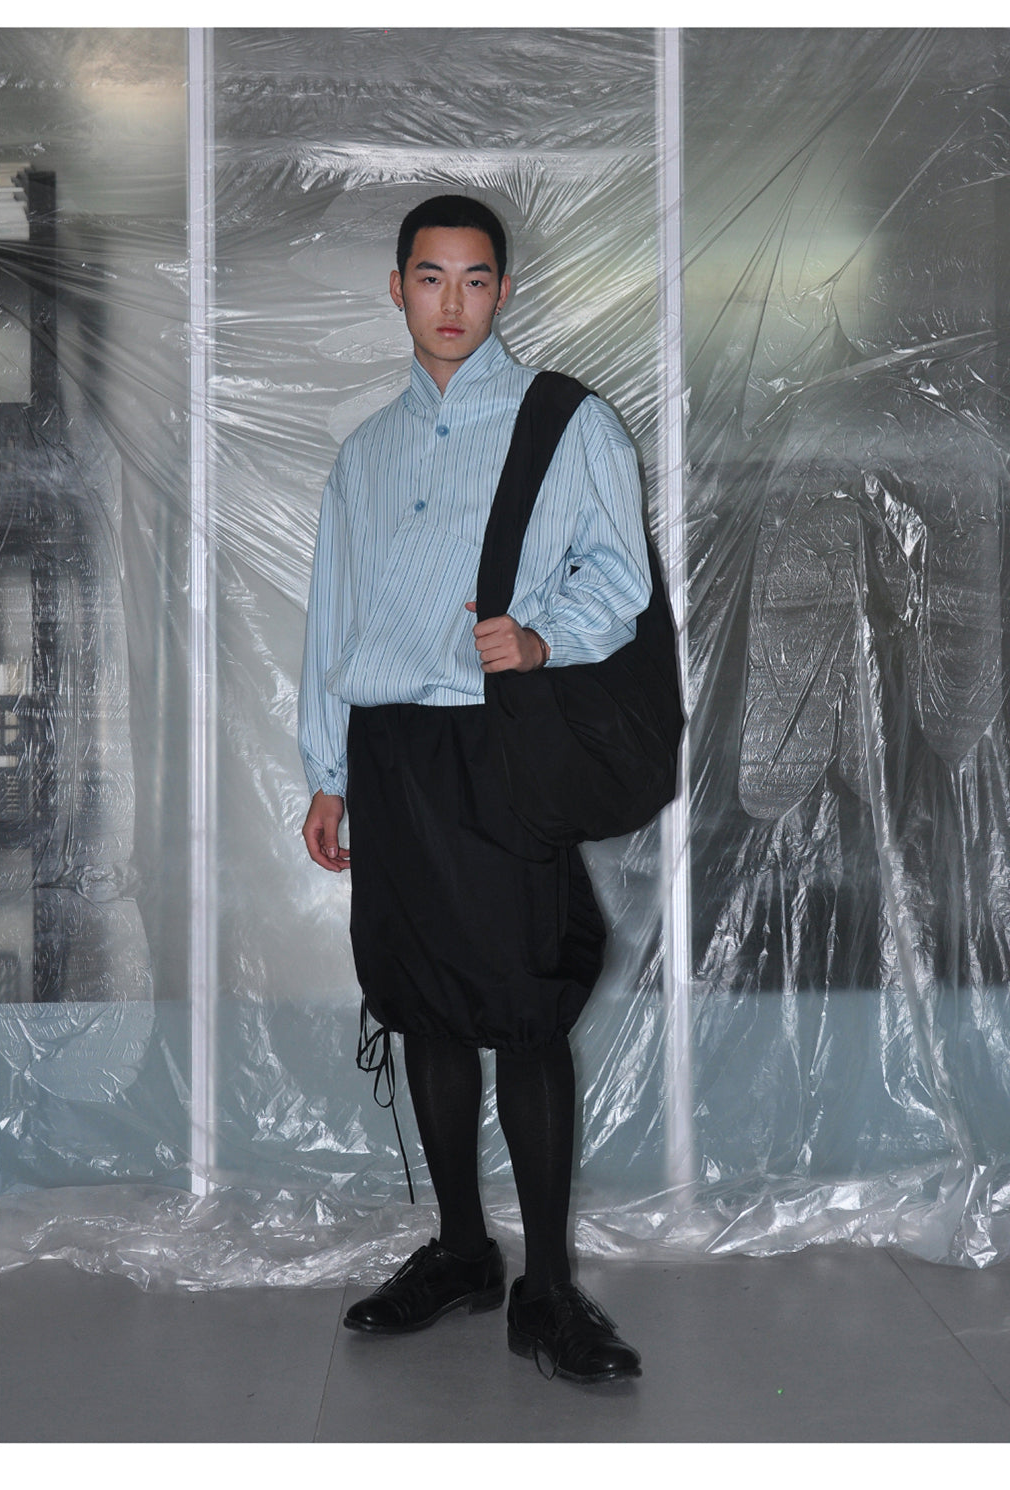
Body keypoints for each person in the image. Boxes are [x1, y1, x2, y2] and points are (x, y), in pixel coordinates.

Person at [298, 194, 649, 1384]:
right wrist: (328, 773)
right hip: (391, 754)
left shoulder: (566, 423)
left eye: (477, 278)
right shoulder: (366, 453)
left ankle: (548, 1290)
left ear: (504, 288)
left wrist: (544, 636)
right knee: (427, 1002)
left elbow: (621, 575)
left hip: (500, 746)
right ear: (397, 287)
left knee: (526, 1006)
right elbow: (334, 615)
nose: (453, 302)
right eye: (431, 277)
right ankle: (461, 1250)